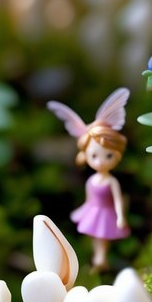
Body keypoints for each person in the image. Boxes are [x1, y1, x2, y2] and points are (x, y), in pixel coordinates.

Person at [47, 89, 130, 270]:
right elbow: (89, 199)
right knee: (95, 235)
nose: (100, 161)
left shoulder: (111, 181)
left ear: (116, 154)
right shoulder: (90, 181)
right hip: (94, 210)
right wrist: (83, 209)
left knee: (102, 236)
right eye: (94, 156)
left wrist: (121, 216)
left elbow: (117, 199)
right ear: (85, 156)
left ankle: (101, 257)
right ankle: (99, 257)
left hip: (107, 212)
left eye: (107, 156)